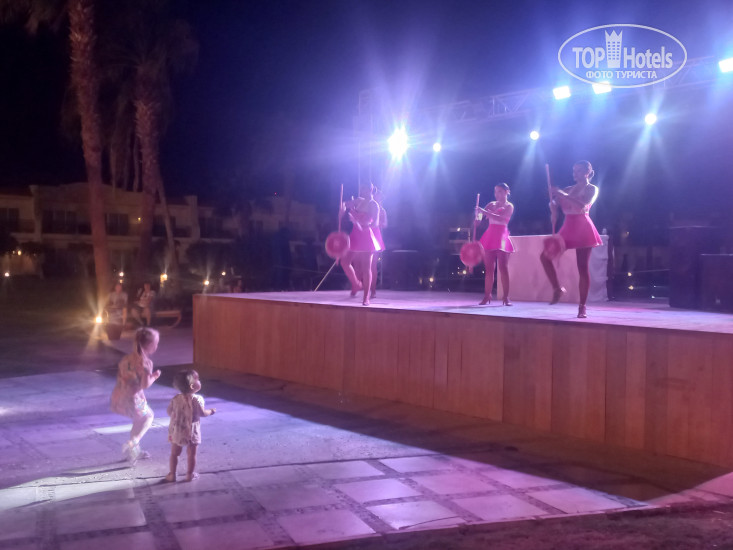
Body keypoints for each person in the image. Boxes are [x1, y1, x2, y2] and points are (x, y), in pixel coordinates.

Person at [540, 160, 602, 318]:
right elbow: (555, 204)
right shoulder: (568, 189)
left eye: (579, 170)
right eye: (574, 170)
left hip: (583, 226)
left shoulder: (592, 189)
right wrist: (552, 203)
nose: (575, 173)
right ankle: (557, 288)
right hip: (568, 226)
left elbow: (583, 205)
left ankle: (582, 306)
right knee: (544, 257)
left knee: (582, 266)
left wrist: (562, 195)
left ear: (587, 172)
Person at [109, 327, 161, 461]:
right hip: (133, 399)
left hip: (119, 396)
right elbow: (145, 384)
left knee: (138, 420)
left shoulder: (126, 359)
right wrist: (154, 376)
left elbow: (127, 377)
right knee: (148, 416)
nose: (157, 346)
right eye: (156, 343)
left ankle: (133, 452)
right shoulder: (146, 363)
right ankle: (133, 443)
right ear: (150, 345)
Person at [165, 369, 216, 482]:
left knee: (174, 453)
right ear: (192, 386)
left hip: (177, 430)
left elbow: (169, 411)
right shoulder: (197, 399)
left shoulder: (176, 398)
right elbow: (202, 413)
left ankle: (172, 474)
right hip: (192, 430)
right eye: (198, 379)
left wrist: (175, 415)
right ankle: (189, 474)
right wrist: (211, 411)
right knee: (191, 454)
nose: (200, 380)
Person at [340, 182, 382, 306]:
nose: (362, 191)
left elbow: (376, 223)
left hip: (366, 235)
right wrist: (342, 209)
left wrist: (362, 224)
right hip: (355, 235)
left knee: (366, 268)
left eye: (364, 189)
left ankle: (366, 297)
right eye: (361, 188)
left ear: (370, 190)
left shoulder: (374, 204)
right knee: (344, 262)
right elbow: (345, 204)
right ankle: (356, 284)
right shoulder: (359, 201)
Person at [476, 182, 515, 306]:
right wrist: (478, 217)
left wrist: (484, 212)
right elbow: (480, 216)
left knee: (503, 267)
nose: (497, 194)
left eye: (500, 191)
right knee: (489, 269)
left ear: (507, 192)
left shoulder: (509, 206)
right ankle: (487, 295)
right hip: (490, 235)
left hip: (502, 236)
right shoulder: (491, 204)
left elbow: (501, 218)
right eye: (495, 191)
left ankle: (506, 297)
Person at [370, 187, 388, 300]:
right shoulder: (367, 207)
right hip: (364, 234)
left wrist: (378, 222)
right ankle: (360, 286)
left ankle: (373, 290)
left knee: (373, 265)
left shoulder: (382, 210)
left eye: (379, 197)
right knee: (363, 264)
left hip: (375, 236)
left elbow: (385, 224)